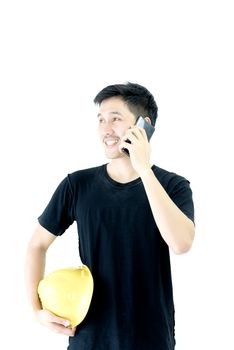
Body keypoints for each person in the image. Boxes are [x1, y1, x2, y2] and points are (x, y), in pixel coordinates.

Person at [25, 82, 195, 350]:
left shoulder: (173, 186)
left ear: (144, 125)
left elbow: (181, 243)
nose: (106, 129)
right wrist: (36, 311)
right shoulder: (77, 185)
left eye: (115, 119)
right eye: (101, 120)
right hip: (89, 339)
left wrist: (144, 169)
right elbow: (37, 245)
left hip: (150, 339)